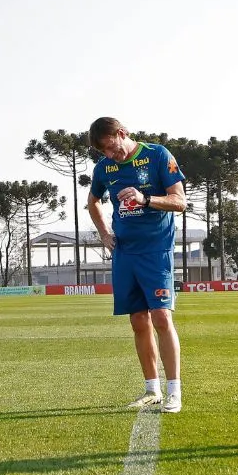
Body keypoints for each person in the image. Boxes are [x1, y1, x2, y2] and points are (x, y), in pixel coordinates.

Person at [85, 117, 187, 414]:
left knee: (161, 318)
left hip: (155, 249)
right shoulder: (104, 169)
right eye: (102, 151)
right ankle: (151, 389)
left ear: (122, 133)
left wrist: (145, 199)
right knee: (138, 321)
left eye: (110, 147)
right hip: (125, 252)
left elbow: (180, 201)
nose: (108, 155)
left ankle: (174, 391)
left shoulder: (157, 155)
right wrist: (105, 233)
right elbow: (93, 202)